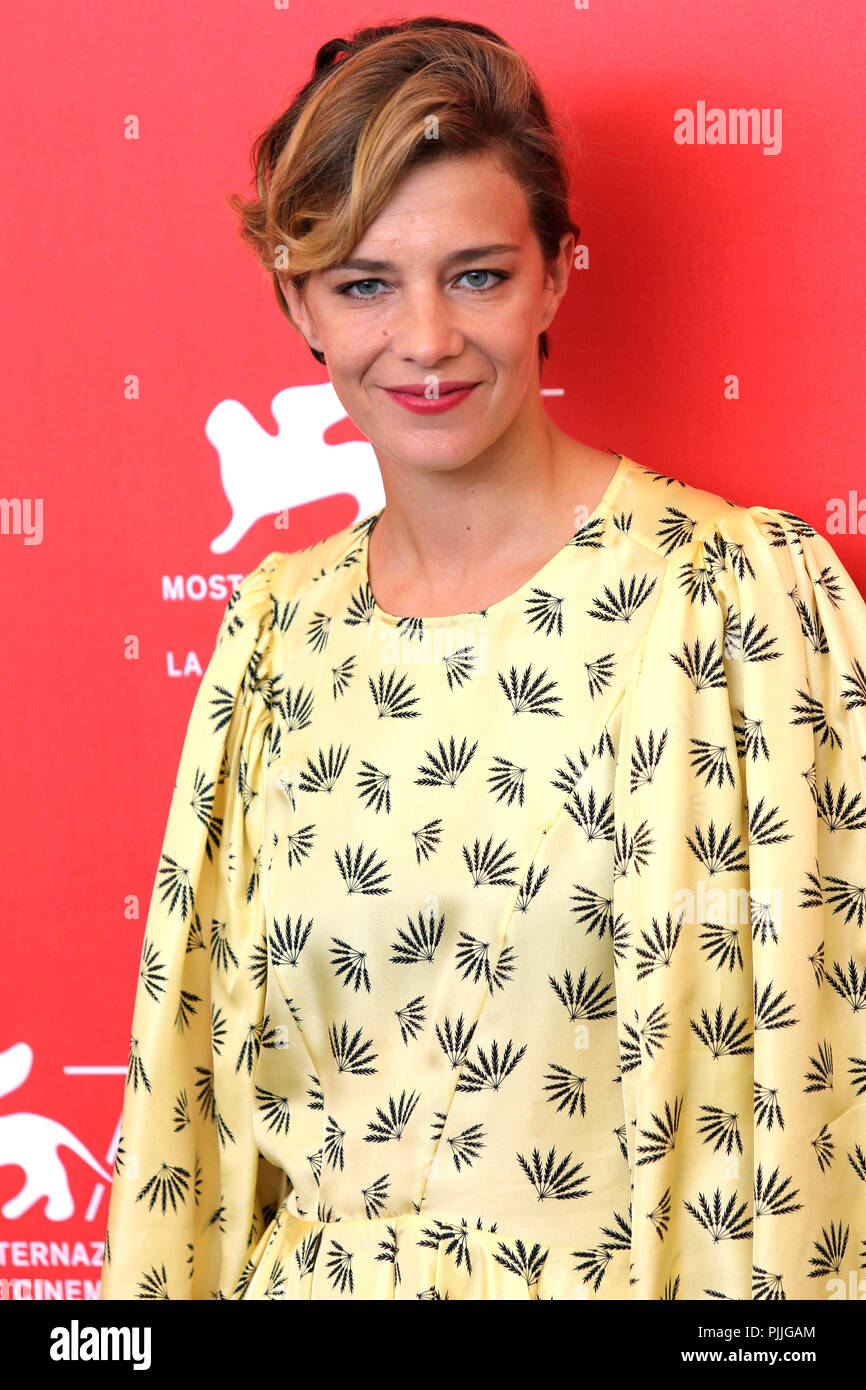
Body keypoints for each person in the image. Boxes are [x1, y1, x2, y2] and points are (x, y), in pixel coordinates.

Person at [100, 17, 866, 1301]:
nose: (425, 340)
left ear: (556, 275)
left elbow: (819, 1090)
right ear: (297, 301)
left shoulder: (735, 601)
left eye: (475, 275)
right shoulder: (275, 633)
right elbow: (194, 1106)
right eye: (362, 284)